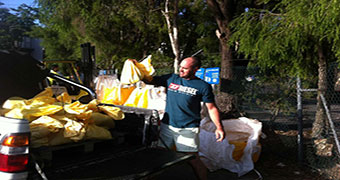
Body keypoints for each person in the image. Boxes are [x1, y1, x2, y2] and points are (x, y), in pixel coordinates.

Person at [146, 57, 225, 180]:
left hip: (188, 128)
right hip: (167, 125)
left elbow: (211, 108)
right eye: (180, 67)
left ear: (195, 69)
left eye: (185, 68)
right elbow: (149, 80)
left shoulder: (203, 86)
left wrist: (219, 127)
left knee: (192, 159)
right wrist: (136, 70)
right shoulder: (171, 78)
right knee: (160, 154)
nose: (181, 70)